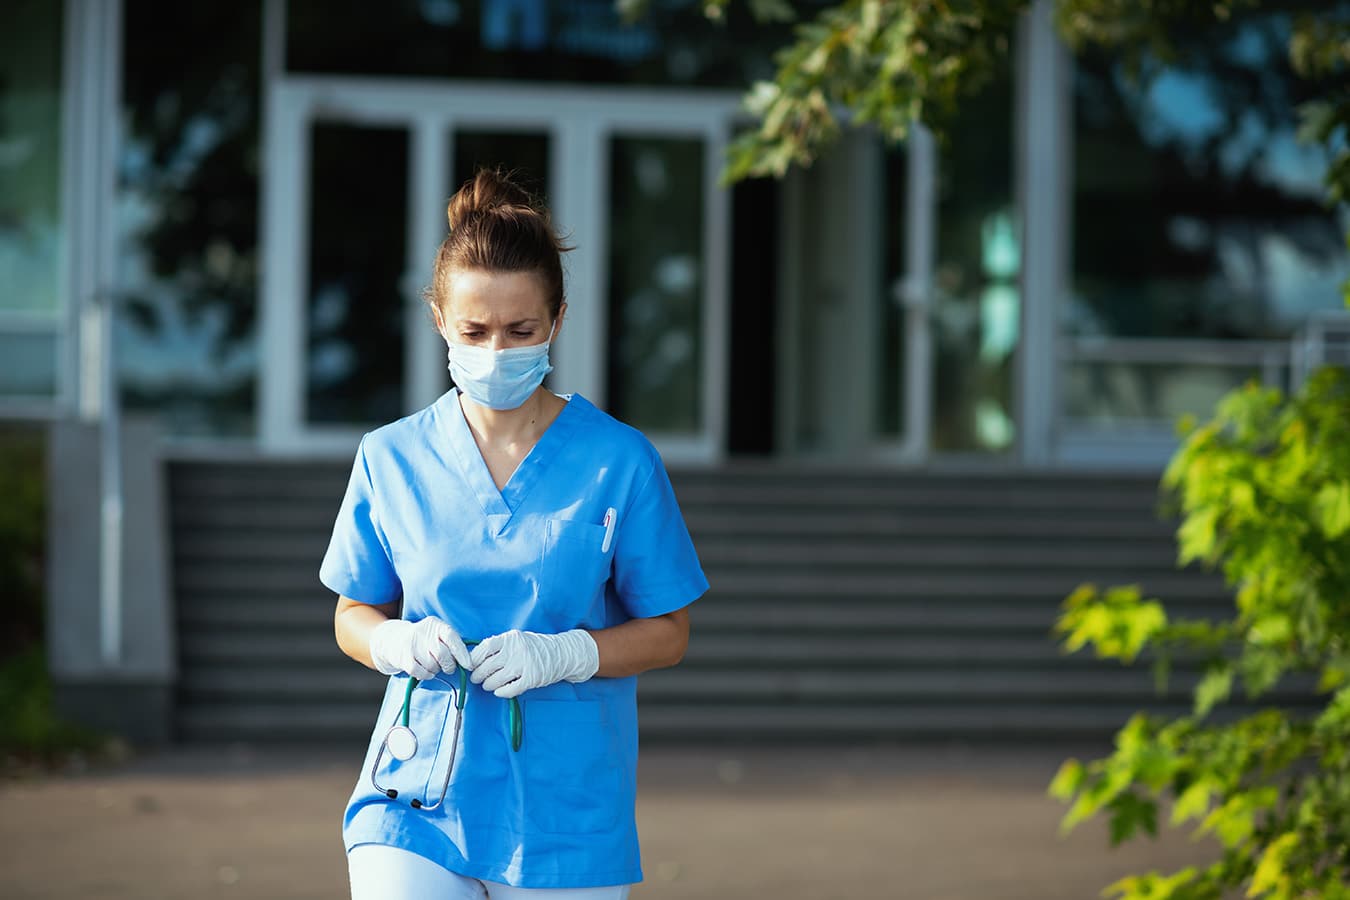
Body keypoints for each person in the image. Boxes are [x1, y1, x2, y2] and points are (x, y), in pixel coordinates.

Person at [319, 168, 708, 900]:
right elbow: (351, 614)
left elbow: (670, 631)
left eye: (520, 331)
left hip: (564, 811)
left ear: (557, 321)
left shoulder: (618, 462)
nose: (496, 352)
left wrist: (570, 652)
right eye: (473, 331)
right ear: (438, 318)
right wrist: (392, 642)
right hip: (415, 789)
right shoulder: (390, 457)